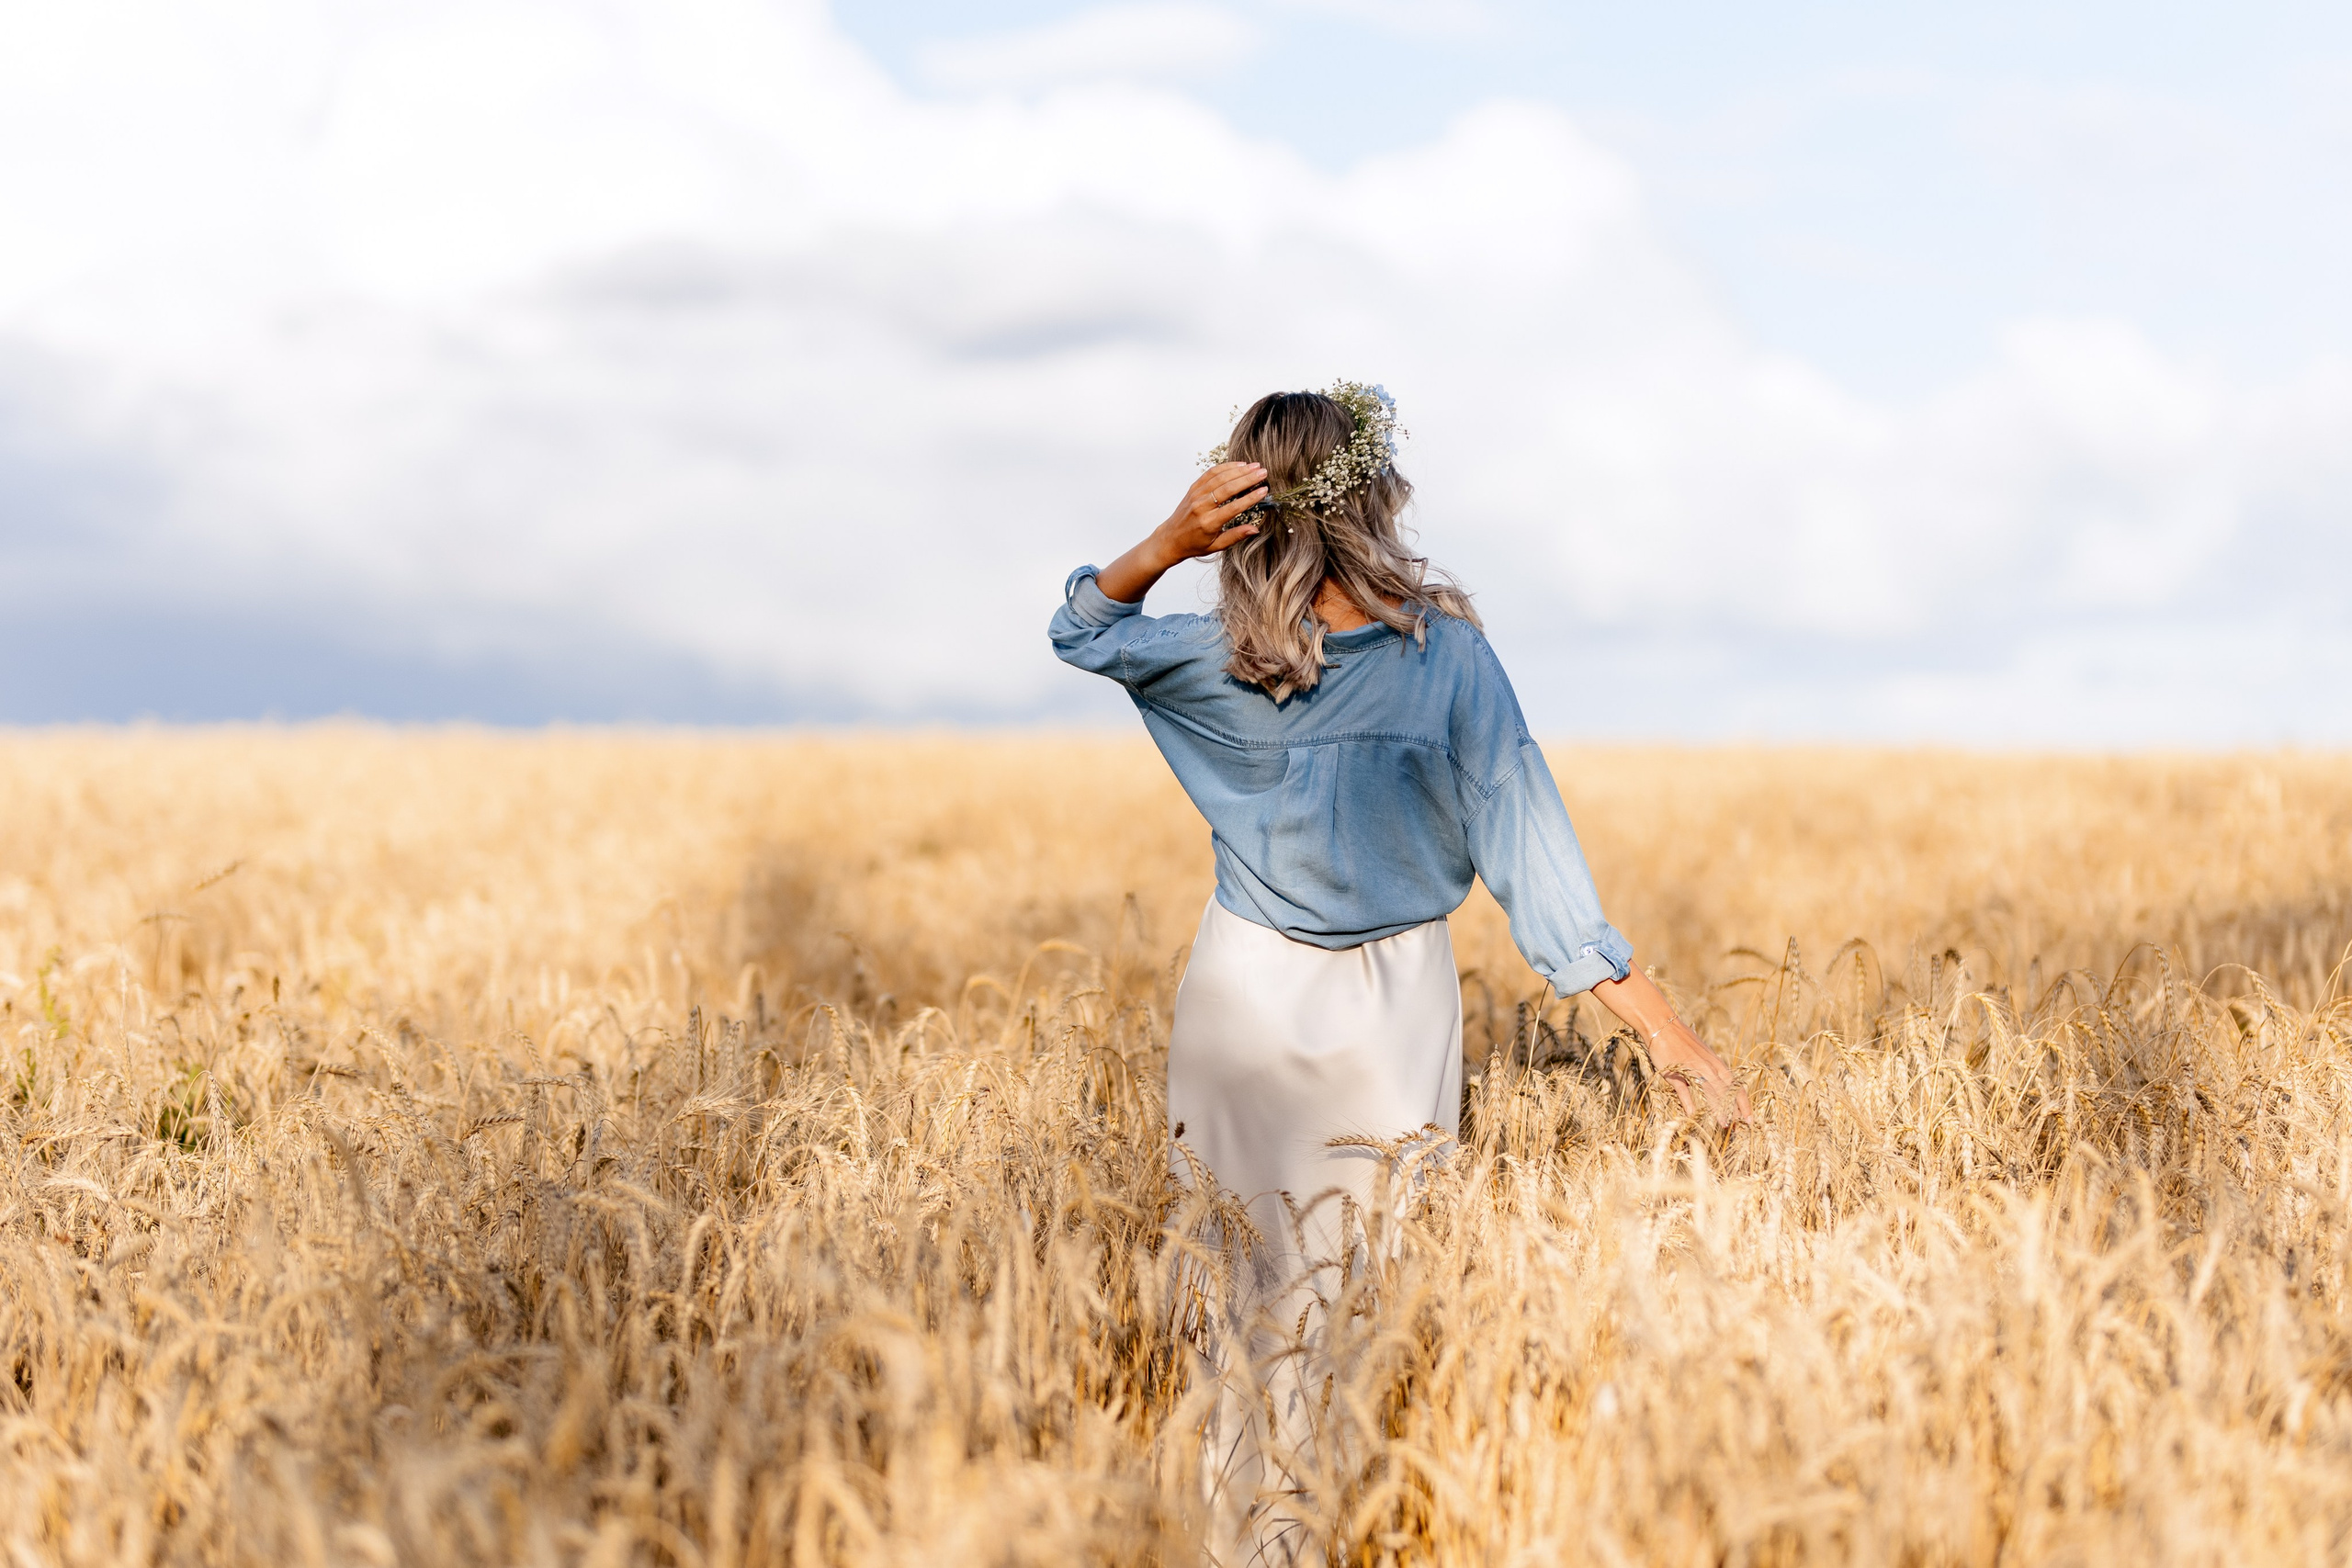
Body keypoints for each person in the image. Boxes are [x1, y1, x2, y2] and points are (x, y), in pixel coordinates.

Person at [1047, 384, 1746, 1565]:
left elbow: (1082, 632)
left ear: (1246, 511)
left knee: (1236, 1289)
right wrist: (1676, 1044)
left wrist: (1165, 543)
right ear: (1375, 498)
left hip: (1240, 992)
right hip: (1395, 1005)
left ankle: (1232, 1542)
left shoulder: (1212, 660)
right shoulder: (1452, 661)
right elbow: (1545, 877)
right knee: (1362, 1292)